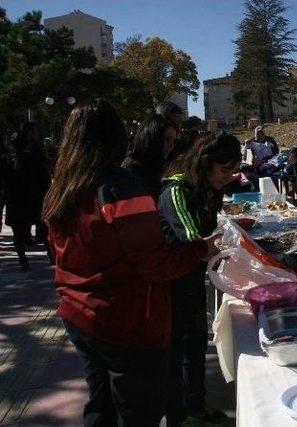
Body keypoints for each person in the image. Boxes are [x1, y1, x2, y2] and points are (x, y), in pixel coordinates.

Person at [42, 100, 220, 426]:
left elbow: (58, 251)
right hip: (126, 323)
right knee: (137, 414)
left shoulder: (62, 188)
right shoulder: (121, 190)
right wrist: (199, 250)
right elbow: (155, 264)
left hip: (79, 314)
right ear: (117, 137)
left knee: (100, 406)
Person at [159, 133, 241, 426]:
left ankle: (196, 404)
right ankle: (175, 413)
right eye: (224, 170)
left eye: (233, 171)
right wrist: (225, 245)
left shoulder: (207, 188)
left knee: (195, 344)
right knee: (174, 350)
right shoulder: (176, 191)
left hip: (192, 279)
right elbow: (195, 242)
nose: (228, 177)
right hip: (171, 284)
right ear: (206, 163)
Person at [0, 122, 51, 270]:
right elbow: (43, 172)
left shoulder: (13, 152)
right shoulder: (33, 151)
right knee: (41, 225)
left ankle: (24, 259)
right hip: (31, 196)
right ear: (29, 133)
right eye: (35, 132)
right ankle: (49, 256)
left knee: (20, 229)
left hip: (17, 197)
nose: (37, 134)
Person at [122, 115, 177, 199]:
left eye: (173, 140)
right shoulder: (131, 169)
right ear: (153, 138)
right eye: (167, 139)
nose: (171, 146)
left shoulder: (162, 165)